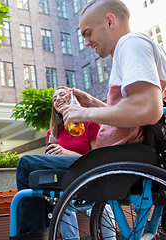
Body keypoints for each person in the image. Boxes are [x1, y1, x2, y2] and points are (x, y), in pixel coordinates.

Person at [12, 0, 166, 239]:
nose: (86, 42)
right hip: (133, 156)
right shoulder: (145, 47)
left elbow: (150, 109)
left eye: (87, 34)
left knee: (27, 165)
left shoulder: (131, 43)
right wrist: (93, 103)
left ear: (110, 21)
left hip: (116, 162)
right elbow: (137, 115)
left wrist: (85, 114)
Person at [45, 86, 101, 240]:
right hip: (67, 181)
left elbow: (97, 160)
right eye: (54, 99)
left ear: (72, 96)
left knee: (102, 207)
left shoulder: (90, 122)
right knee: (60, 201)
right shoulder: (52, 133)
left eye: (62, 95)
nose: (58, 100)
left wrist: (67, 153)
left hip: (91, 178)